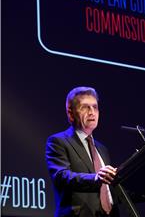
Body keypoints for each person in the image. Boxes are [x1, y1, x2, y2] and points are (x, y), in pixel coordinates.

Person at [46, 86, 120, 217]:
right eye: (85, 107)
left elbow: (109, 190)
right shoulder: (58, 142)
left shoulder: (102, 149)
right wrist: (95, 178)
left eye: (95, 107)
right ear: (70, 113)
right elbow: (61, 177)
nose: (92, 112)